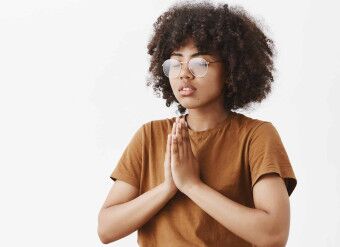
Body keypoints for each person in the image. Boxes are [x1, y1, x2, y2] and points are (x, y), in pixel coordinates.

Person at [97, 1, 297, 246]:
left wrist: (192, 185)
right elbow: (106, 229)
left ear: (232, 69)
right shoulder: (150, 135)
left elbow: (273, 235)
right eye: (175, 63)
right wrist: (168, 188)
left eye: (199, 63)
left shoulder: (256, 136)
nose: (184, 74)